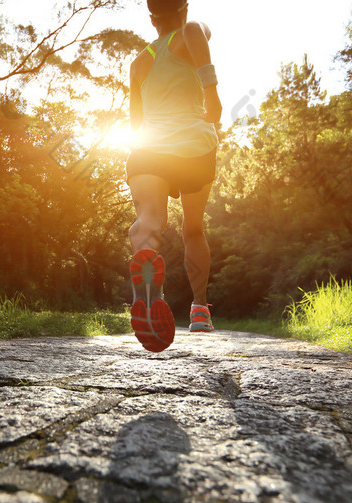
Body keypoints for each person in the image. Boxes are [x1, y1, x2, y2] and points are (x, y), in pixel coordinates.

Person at [127, 0, 222, 352]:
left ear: (151, 18)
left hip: (148, 149)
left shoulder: (138, 62)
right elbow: (198, 32)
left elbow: (135, 122)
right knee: (193, 228)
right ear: (183, 9)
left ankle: (148, 287)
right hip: (194, 148)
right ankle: (199, 310)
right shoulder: (187, 32)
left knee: (149, 220)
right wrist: (212, 94)